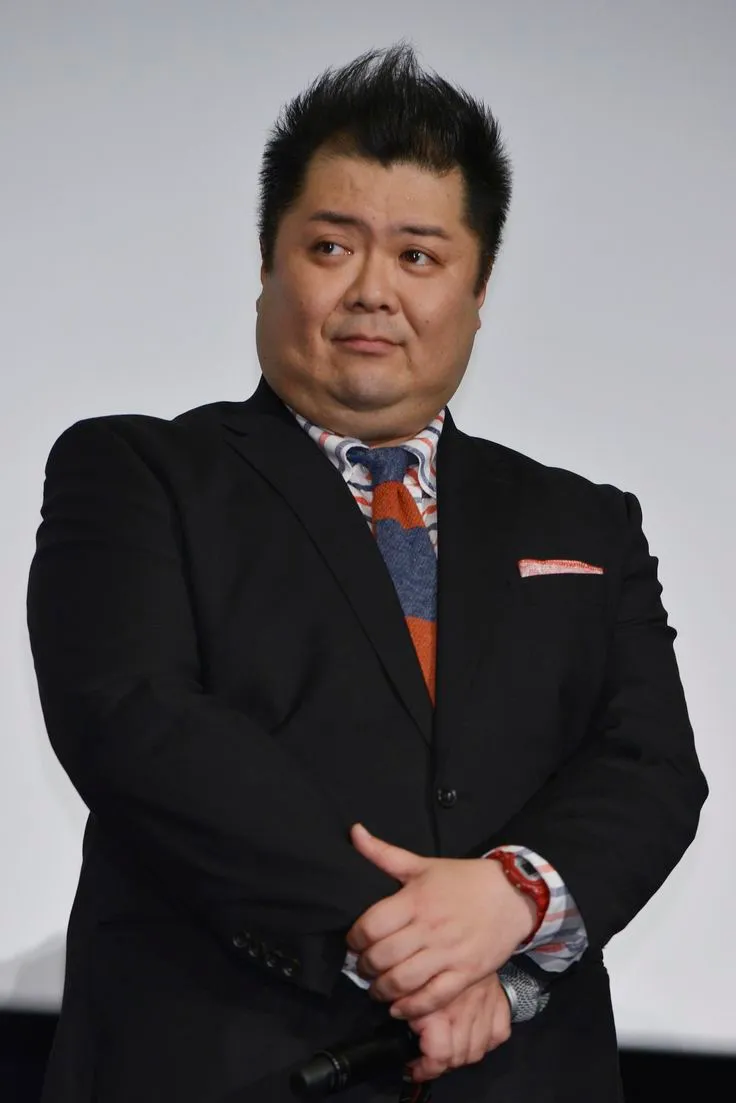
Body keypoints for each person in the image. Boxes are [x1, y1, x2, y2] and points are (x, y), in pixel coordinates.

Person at [27, 44, 707, 1103]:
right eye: (331, 246)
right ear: (268, 263)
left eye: (419, 256)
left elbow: (650, 766)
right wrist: (415, 943)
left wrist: (509, 907)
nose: (372, 291)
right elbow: (139, 722)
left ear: (478, 289)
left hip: (521, 1068)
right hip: (229, 1064)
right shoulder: (137, 471)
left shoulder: (586, 520)